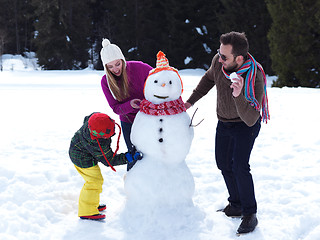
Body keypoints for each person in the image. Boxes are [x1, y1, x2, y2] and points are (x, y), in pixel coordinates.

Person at [185, 31, 270, 234]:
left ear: (239, 59)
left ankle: (250, 213)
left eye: (225, 56)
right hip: (224, 122)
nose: (219, 58)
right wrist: (189, 101)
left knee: (240, 166)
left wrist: (239, 95)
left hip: (245, 126)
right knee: (223, 163)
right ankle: (236, 204)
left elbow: (251, 118)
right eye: (219, 53)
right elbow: (208, 79)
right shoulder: (218, 63)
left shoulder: (254, 75)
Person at [69, 112, 142, 221]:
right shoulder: (97, 143)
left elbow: (87, 118)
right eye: (107, 133)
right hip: (82, 159)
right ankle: (87, 210)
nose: (112, 134)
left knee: (95, 181)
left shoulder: (92, 120)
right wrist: (128, 157)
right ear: (99, 135)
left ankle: (91, 203)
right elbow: (109, 160)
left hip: (79, 149)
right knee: (94, 182)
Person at [100, 39, 153, 170]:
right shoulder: (106, 81)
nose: (115, 69)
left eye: (117, 64)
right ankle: (132, 185)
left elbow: (162, 81)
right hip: (128, 122)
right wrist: (130, 105)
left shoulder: (140, 68)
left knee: (153, 154)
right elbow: (115, 108)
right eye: (110, 67)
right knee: (135, 156)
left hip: (150, 118)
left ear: (122, 59)